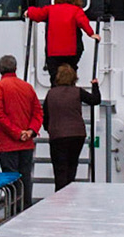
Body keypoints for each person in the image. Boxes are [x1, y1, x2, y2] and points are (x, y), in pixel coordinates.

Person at [0, 54, 42, 208]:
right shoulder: (27, 87)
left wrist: (17, 133)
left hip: (7, 144)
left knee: (11, 180)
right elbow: (38, 112)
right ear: (15, 68)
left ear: (0, 69)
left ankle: (14, 211)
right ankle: (26, 208)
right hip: (26, 143)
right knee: (25, 178)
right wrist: (30, 131)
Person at [42, 62, 100, 192]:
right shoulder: (77, 92)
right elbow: (95, 100)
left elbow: (45, 115)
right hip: (77, 134)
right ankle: (69, 194)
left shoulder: (51, 93)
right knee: (72, 166)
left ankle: (60, 197)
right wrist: (95, 85)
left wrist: (48, 128)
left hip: (58, 135)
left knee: (60, 169)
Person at [25, 0, 95, 85]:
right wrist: (92, 34)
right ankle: (71, 92)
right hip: (72, 51)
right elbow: (82, 22)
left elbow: (38, 14)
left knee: (54, 76)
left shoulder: (50, 9)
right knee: (71, 72)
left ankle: (54, 94)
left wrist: (29, 12)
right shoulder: (76, 10)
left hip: (53, 51)